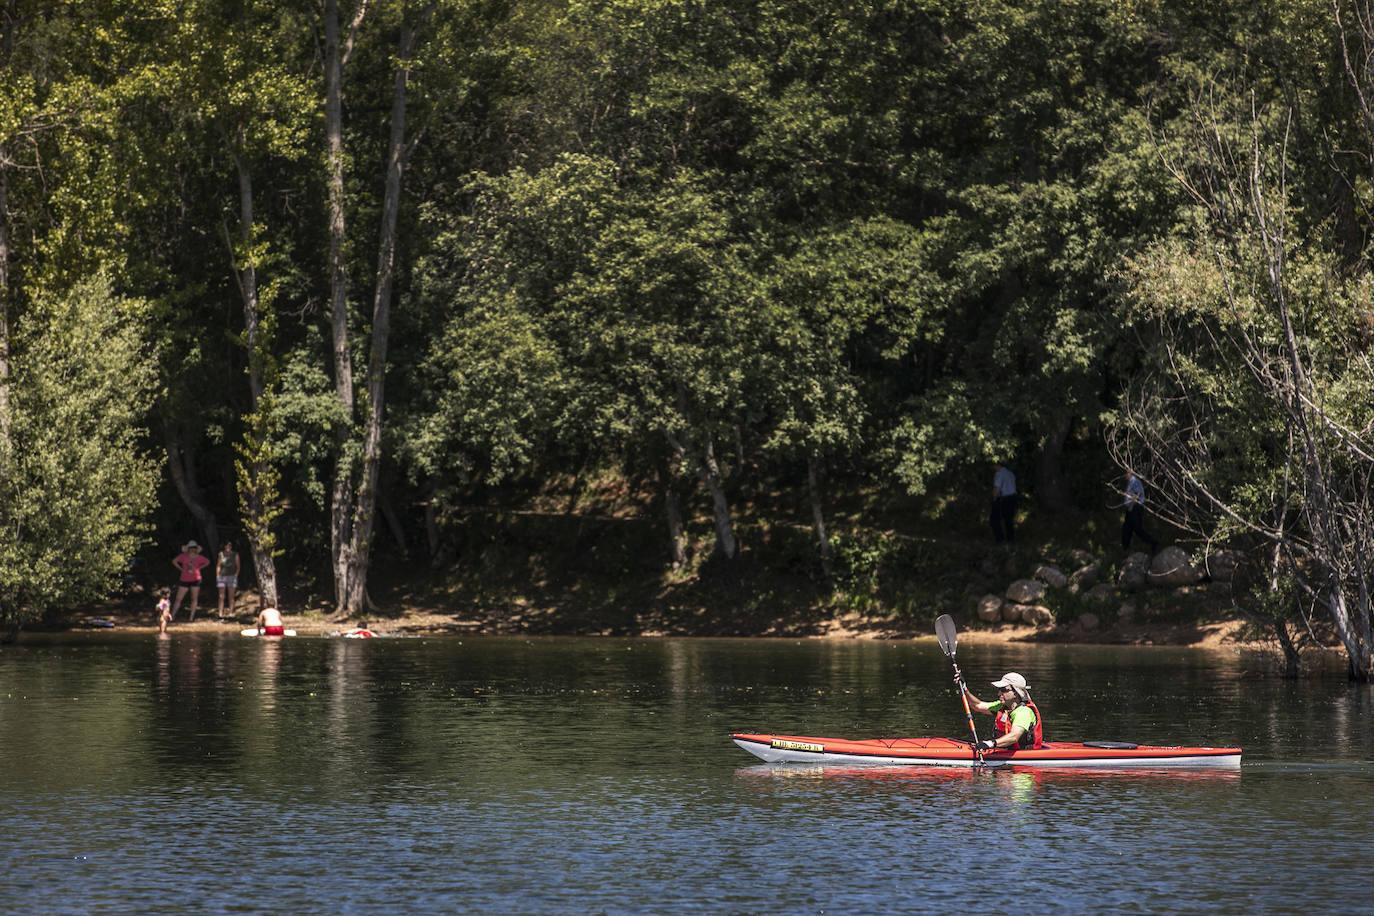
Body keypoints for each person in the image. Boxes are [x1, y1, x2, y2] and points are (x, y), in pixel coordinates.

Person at [956, 671, 1043, 750]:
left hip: (1024, 756)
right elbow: (977, 705)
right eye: (999, 690)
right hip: (1005, 750)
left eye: (1003, 690)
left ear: (1016, 693)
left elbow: (1014, 737)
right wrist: (964, 689)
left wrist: (990, 744)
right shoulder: (1003, 706)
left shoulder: (1023, 712)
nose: (999, 694)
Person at [1121, 470, 1160, 554]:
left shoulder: (1135, 481)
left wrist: (1131, 506)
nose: (1124, 475)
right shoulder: (1130, 482)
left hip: (1135, 508)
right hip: (1131, 509)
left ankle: (1154, 543)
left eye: (1126, 473)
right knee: (1126, 529)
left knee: (1137, 529)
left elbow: (1137, 494)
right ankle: (1125, 549)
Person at [170, 541, 210, 621]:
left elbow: (207, 562)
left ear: (196, 549)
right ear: (188, 549)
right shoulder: (183, 556)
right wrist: (181, 569)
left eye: (194, 548)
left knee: (194, 598)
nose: (192, 549)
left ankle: (191, 617)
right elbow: (174, 561)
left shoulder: (199, 557)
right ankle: (172, 616)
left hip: (196, 579)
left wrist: (199, 568)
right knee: (178, 598)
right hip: (184, 579)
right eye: (191, 548)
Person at [990, 461, 1018, 544]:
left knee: (994, 519)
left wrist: (994, 499)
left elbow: (997, 488)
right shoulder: (1010, 473)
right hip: (1013, 497)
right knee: (1009, 519)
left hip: (1004, 498)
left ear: (996, 465)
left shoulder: (999, 474)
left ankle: (999, 539)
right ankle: (1010, 540)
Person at [215, 540, 241, 619]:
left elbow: (238, 566)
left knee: (231, 596)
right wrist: (217, 575)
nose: (227, 547)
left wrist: (236, 575)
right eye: (226, 545)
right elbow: (218, 565)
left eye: (229, 546)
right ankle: (220, 614)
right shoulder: (221, 554)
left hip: (231, 576)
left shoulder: (235, 554)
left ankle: (231, 613)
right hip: (222, 576)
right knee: (221, 596)